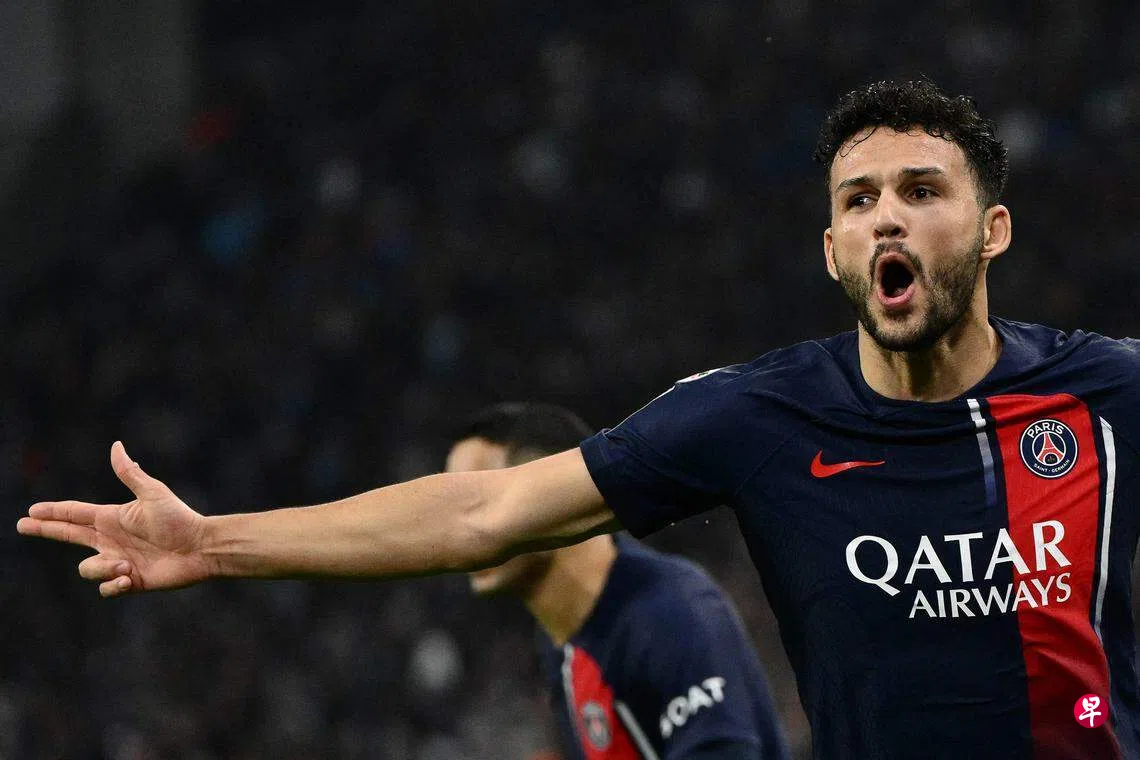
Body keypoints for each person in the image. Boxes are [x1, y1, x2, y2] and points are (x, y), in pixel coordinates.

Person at [18, 78, 1138, 758]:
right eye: (860, 200)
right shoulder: (756, 415)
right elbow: (484, 511)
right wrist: (215, 541)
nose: (888, 216)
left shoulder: (1103, 393)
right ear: (833, 249)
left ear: (992, 229)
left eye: (922, 190)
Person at [446, 402, 790, 760]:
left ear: (554, 495)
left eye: (479, 501)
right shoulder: (557, 641)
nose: (461, 529)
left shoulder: (669, 611)